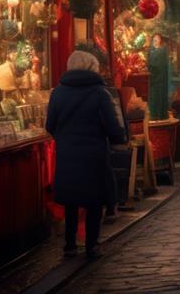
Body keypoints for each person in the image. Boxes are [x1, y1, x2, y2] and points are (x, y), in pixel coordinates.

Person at [45, 50, 126, 259]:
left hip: (67, 154)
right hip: (93, 155)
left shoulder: (57, 93)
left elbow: (50, 125)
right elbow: (112, 125)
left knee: (72, 200)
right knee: (94, 201)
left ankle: (70, 245)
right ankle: (92, 245)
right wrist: (118, 140)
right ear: (93, 68)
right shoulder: (100, 93)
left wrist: (66, 140)